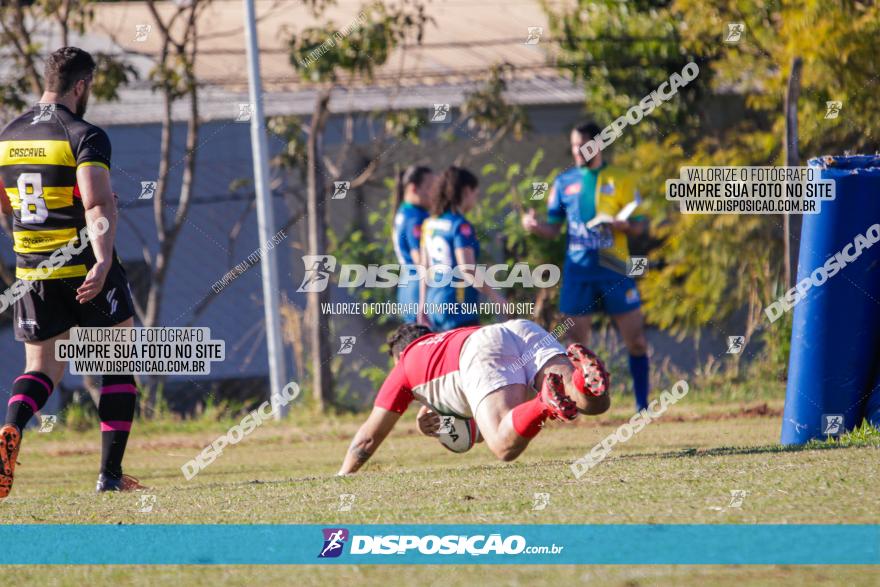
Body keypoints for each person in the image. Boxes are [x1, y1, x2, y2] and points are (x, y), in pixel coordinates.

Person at [0, 47, 142, 497]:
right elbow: (96, 201)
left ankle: (11, 429)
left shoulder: (9, 133)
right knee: (118, 361)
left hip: (33, 268)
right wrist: (101, 260)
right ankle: (109, 477)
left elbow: (7, 204)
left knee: (41, 367)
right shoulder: (84, 134)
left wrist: (28, 235)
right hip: (82, 265)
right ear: (80, 85)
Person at [337, 320, 610, 475]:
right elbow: (476, 429)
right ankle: (582, 379)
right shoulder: (446, 341)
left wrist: (343, 477)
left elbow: (368, 437)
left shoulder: (405, 364)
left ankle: (544, 402)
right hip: (518, 329)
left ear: (398, 356)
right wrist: (441, 424)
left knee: (504, 447)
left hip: (482, 348)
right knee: (592, 403)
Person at [521, 121, 651, 411]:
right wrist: (534, 226)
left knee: (638, 341)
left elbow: (642, 226)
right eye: (574, 145)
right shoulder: (564, 182)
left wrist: (625, 225)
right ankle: (583, 403)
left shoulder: (622, 179)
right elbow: (554, 228)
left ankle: (643, 406)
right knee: (577, 345)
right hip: (578, 273)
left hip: (614, 269)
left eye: (584, 144)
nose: (578, 150)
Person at [418, 166, 506, 331]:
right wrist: (496, 297)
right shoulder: (460, 225)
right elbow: (467, 269)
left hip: (433, 304)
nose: (475, 201)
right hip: (458, 305)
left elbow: (424, 267)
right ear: (466, 191)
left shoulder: (429, 224)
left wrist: (422, 305)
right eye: (476, 195)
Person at [391, 165, 433, 323]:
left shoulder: (403, 212)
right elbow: (421, 262)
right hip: (419, 292)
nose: (434, 193)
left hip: (406, 287)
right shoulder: (416, 218)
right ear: (414, 188)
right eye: (430, 187)